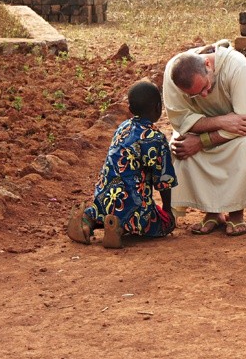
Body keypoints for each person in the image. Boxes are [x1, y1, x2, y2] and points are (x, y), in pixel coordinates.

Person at [163, 40, 246, 236]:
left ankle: (236, 213)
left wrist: (202, 141)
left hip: (243, 133)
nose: (204, 95)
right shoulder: (172, 73)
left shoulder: (237, 66)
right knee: (179, 146)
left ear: (208, 64)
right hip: (218, 128)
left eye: (205, 87)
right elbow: (180, 121)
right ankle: (212, 212)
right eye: (195, 95)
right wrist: (221, 122)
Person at [67, 81, 177, 248]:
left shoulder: (123, 127)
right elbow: (163, 181)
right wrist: (168, 211)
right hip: (132, 205)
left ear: (130, 109)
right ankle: (118, 228)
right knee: (164, 225)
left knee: (103, 210)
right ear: (158, 107)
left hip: (105, 198)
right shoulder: (155, 138)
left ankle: (88, 220)